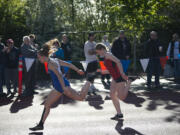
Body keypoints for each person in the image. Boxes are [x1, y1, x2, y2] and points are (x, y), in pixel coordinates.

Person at [29, 43, 93, 131]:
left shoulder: (50, 63)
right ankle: (41, 125)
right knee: (47, 104)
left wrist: (64, 88)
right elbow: (69, 65)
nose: (38, 59)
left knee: (81, 97)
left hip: (62, 86)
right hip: (58, 87)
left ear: (43, 56)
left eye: (39, 57)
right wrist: (77, 70)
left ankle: (89, 80)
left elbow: (59, 75)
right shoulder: (55, 60)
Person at [95, 43, 137, 119]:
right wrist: (100, 71)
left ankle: (130, 81)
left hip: (119, 76)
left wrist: (122, 73)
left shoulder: (108, 55)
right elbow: (110, 70)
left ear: (101, 49)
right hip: (115, 77)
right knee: (112, 94)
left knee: (122, 97)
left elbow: (118, 62)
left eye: (98, 51)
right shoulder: (104, 57)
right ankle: (119, 113)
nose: (98, 53)